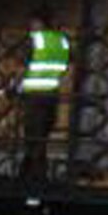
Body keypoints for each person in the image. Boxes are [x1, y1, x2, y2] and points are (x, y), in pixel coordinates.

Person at [20, 16, 71, 180]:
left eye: (31, 25)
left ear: (38, 24)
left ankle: (34, 175)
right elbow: (67, 64)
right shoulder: (62, 41)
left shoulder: (36, 40)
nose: (29, 28)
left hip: (34, 94)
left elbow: (23, 64)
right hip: (51, 93)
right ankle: (30, 171)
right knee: (42, 135)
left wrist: (15, 86)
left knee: (33, 136)